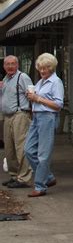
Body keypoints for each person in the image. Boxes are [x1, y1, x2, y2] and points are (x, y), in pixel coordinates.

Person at [25, 53, 64, 197]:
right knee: (28, 150)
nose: (42, 71)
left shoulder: (56, 82)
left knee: (43, 154)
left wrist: (38, 99)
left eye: (46, 68)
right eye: (40, 68)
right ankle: (48, 177)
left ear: (52, 67)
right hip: (36, 117)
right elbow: (37, 98)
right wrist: (31, 97)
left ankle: (40, 186)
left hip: (47, 117)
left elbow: (58, 105)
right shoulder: (40, 82)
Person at [1, 55, 33, 188]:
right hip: (7, 116)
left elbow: (31, 93)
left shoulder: (23, 77)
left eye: (13, 64)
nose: (10, 66)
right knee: (9, 149)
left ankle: (24, 178)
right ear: (3, 66)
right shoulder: (6, 79)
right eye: (7, 64)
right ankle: (14, 175)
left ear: (17, 65)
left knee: (21, 148)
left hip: (20, 115)